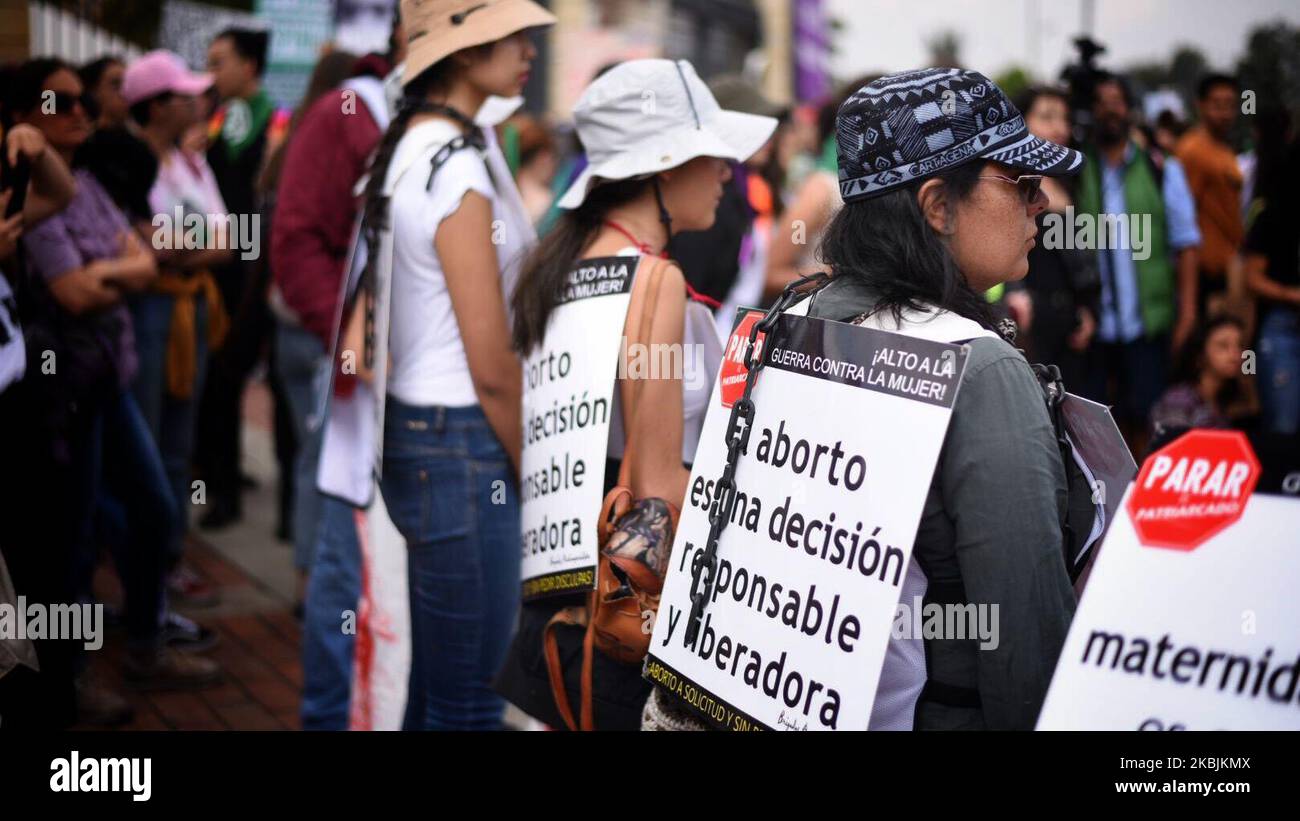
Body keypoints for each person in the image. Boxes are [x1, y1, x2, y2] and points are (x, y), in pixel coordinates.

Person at [765, 68, 1083, 729]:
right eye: (1020, 184)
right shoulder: (982, 369)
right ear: (937, 206)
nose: (1043, 205)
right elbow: (1027, 653)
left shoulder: (793, 319)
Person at [497, 58, 776, 731]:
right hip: (625, 608)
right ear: (663, 164)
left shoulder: (557, 262)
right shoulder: (656, 279)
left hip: (558, 598)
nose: (725, 173)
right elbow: (655, 481)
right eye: (712, 155)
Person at [349, 0, 556, 730]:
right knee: (469, 700)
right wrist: (538, 469)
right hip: (462, 442)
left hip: (424, 435)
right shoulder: (456, 166)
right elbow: (490, 360)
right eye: (512, 35)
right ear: (465, 53)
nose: (530, 48)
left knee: (437, 688)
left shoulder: (409, 141)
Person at [8, 58, 220, 711]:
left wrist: (120, 267)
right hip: (61, 390)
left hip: (108, 377)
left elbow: (143, 256)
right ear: (23, 114)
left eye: (83, 102)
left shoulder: (87, 182)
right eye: (61, 102)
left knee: (154, 508)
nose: (81, 112)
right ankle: (68, 678)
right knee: (67, 544)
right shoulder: (24, 188)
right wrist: (123, 268)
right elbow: (75, 291)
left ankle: (145, 643)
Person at [271, 30, 401, 730]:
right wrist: (355, 341)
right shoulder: (353, 109)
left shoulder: (460, 119)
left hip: (427, 395)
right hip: (359, 388)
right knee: (341, 558)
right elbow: (294, 236)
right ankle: (327, 715)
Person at [123, 50, 233, 645]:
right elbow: (144, 244)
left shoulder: (191, 163)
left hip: (188, 308)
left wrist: (174, 248)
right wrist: (184, 246)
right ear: (159, 104)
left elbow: (227, 235)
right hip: (148, 311)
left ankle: (167, 561)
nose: (198, 102)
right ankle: (144, 576)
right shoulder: (132, 163)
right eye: (186, 93)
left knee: (177, 443)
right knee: (147, 439)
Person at [197, 28, 292, 533]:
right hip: (215, 264)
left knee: (265, 374)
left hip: (255, 269)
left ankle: (281, 504)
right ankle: (221, 483)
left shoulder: (276, 122)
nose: (212, 72)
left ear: (250, 66)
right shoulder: (209, 121)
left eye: (221, 62)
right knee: (220, 379)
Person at [1077, 71, 1202, 453]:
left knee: (1148, 423)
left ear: (1130, 109)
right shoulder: (1079, 170)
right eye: (1099, 101)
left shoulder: (1160, 168)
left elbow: (1186, 245)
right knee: (1098, 430)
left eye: (1116, 100)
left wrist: (1187, 314)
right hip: (1095, 328)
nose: (1108, 109)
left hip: (1146, 325)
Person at [1014, 85, 1098, 387]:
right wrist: (1015, 295)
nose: (1060, 128)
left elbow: (1080, 257)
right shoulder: (1011, 181)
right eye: (1047, 117)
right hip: (1030, 320)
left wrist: (1087, 310)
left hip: (1069, 322)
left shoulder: (1071, 181)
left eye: (1064, 118)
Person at [1244, 132, 1300, 436]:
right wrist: (1291, 294)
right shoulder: (1274, 214)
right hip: (1282, 327)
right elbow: (1252, 278)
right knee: (1283, 426)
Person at [1176, 74, 1243, 316]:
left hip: (1228, 268)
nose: (1225, 113)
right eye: (1217, 105)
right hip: (1205, 272)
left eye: (1230, 105)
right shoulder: (1192, 151)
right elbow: (1183, 216)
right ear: (1200, 105)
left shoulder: (1225, 150)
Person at [1150, 315, 1257, 437]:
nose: (1236, 355)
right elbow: (1172, 450)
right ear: (1199, 355)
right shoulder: (1178, 401)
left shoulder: (1223, 403)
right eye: (1223, 346)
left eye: (1240, 345)